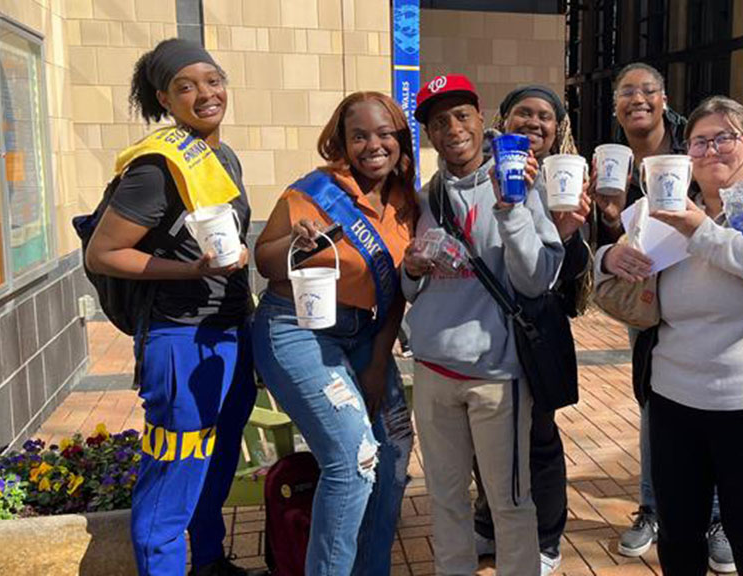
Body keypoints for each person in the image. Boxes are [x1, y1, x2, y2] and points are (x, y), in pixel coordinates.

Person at [599, 95, 743, 575]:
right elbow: (609, 288)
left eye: (726, 137)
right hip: (672, 404)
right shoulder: (659, 212)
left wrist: (700, 230)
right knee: (679, 534)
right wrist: (608, 259)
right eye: (700, 141)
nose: (711, 150)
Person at [84, 38, 255, 576]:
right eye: (186, 86)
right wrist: (190, 270)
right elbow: (105, 253)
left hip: (229, 334)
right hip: (179, 340)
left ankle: (208, 563)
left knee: (216, 464)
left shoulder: (220, 155)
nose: (205, 94)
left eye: (212, 80)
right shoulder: (157, 167)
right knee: (174, 477)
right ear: (166, 98)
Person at [403, 74, 564, 575]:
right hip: (432, 372)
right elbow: (409, 292)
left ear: (480, 119)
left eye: (460, 116)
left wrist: (511, 209)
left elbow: (537, 280)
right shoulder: (424, 198)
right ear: (429, 134)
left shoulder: (519, 181)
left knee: (510, 503)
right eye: (437, 121)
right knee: (446, 500)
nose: (451, 129)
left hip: (497, 376)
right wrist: (411, 268)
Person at [251, 92, 417, 575]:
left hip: (366, 334)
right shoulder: (313, 192)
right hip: (298, 328)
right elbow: (264, 262)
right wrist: (297, 246)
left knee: (392, 454)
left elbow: (396, 292)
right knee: (354, 459)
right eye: (359, 135)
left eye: (385, 133)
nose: (374, 145)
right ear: (341, 141)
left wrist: (379, 362)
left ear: (401, 138)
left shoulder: (406, 200)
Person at [589, 62, 733, 571]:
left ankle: (715, 519)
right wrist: (607, 222)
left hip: (708, 290)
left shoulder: (693, 144)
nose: (638, 99)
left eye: (648, 90)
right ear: (615, 106)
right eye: (627, 92)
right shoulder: (611, 162)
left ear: (664, 95)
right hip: (650, 296)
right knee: (656, 401)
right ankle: (653, 509)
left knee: (711, 403)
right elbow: (602, 244)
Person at [470, 85, 591, 575]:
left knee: (539, 436)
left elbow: (574, 282)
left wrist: (565, 233)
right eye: (524, 113)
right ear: (504, 118)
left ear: (556, 127)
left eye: (545, 116)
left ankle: (545, 539)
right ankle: (487, 519)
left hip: (535, 330)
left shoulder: (566, 178)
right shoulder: (477, 171)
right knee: (485, 432)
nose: (533, 123)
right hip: (481, 327)